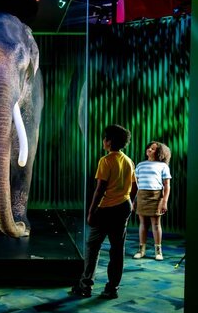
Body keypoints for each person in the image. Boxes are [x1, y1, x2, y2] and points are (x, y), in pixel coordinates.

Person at [70, 124, 137, 299]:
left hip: (106, 208)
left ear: (109, 141)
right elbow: (135, 186)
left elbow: (100, 189)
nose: (103, 141)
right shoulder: (128, 160)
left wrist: (91, 211)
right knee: (117, 249)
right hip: (124, 206)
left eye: (105, 138)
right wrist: (130, 203)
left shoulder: (106, 161)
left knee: (93, 246)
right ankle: (112, 288)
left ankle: (85, 286)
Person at [133, 141, 172, 261]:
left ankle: (158, 251)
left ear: (160, 152)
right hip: (141, 195)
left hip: (156, 196)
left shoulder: (163, 166)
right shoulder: (140, 165)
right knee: (143, 224)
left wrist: (164, 201)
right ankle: (141, 250)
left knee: (155, 224)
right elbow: (136, 185)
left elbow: (167, 185)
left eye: (153, 149)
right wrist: (134, 200)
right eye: (149, 148)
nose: (149, 149)